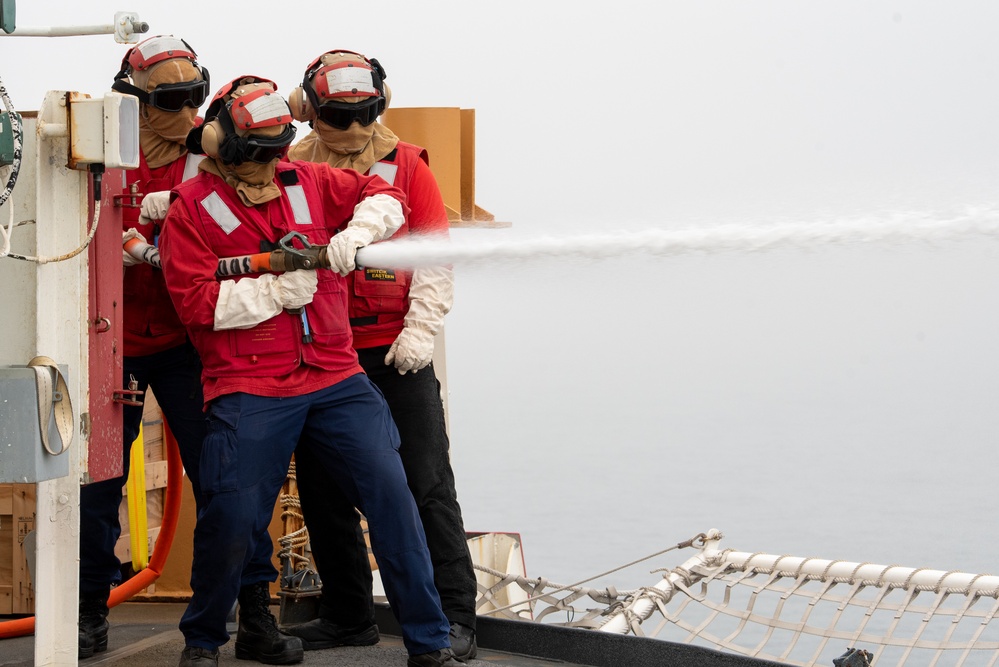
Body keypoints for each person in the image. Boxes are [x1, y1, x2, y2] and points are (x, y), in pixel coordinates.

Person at [158, 75, 462, 667]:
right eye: (256, 156)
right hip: (249, 384)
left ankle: (430, 643)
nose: (269, 169)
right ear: (221, 146)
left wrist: (359, 232)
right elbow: (197, 304)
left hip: (334, 376)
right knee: (233, 516)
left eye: (277, 153)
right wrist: (276, 292)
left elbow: (388, 195)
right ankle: (203, 642)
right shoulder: (189, 214)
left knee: (393, 497)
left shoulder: (312, 180)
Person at [282, 50, 479, 661]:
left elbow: (434, 255)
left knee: (426, 481)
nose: (352, 129)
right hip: (326, 352)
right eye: (339, 116)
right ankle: (348, 614)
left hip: (397, 352)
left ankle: (454, 616)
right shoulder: (290, 166)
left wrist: (420, 333)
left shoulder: (409, 167)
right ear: (311, 112)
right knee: (321, 487)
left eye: (361, 114)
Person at [77, 35, 211, 659]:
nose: (189, 116)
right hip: (114, 346)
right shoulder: (95, 149)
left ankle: (248, 616)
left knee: (224, 481)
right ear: (133, 101)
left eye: (195, 98)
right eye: (172, 102)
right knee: (98, 484)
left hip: (190, 342)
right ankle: (85, 618)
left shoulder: (210, 153)